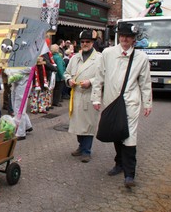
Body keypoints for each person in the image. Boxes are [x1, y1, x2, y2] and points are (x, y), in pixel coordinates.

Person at [91, 22, 152, 188]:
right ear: (119, 37)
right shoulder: (108, 53)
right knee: (117, 132)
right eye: (123, 36)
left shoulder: (141, 58)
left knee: (129, 136)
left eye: (129, 37)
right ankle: (119, 164)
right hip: (111, 101)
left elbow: (145, 82)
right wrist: (96, 98)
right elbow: (99, 77)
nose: (125, 39)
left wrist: (147, 103)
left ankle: (129, 174)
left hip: (131, 102)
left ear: (134, 39)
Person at [63, 30, 101, 163]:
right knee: (78, 124)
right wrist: (69, 81)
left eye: (88, 42)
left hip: (90, 95)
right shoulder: (74, 58)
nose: (85, 44)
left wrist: (90, 82)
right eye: (83, 42)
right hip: (77, 95)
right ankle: (80, 146)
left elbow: (103, 77)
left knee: (88, 124)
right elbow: (66, 73)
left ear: (93, 43)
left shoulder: (99, 58)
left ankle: (87, 151)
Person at [5, 67, 33, 140]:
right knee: (15, 106)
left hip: (23, 82)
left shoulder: (28, 56)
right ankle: (27, 125)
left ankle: (20, 133)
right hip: (16, 82)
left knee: (19, 107)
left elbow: (30, 68)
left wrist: (14, 70)